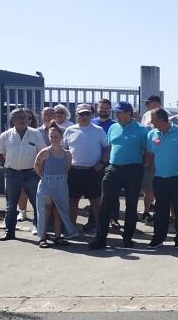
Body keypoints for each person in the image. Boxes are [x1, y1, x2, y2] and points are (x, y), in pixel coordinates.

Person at [89, 101, 148, 250]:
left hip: (133, 170)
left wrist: (143, 166)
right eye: (116, 112)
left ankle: (127, 238)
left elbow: (148, 151)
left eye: (119, 112)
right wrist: (103, 163)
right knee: (104, 204)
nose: (116, 115)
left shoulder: (141, 130)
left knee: (131, 205)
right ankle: (101, 238)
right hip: (113, 168)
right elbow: (110, 147)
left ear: (129, 113)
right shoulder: (113, 127)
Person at [145, 108, 178, 249]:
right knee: (160, 210)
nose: (151, 122)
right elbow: (150, 154)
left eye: (153, 119)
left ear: (161, 119)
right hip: (160, 178)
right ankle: (158, 238)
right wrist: (152, 170)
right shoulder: (152, 134)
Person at [0, 108, 47, 241]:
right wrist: (7, 166)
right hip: (12, 174)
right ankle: (10, 232)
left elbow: (43, 153)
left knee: (37, 203)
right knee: (11, 205)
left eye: (25, 117)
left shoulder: (35, 134)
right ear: (13, 120)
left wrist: (39, 169)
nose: (24, 120)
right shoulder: (6, 135)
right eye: (20, 117)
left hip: (32, 174)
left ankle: (38, 228)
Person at [62, 104, 109, 233]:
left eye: (87, 114)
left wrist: (101, 162)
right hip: (73, 171)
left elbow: (107, 148)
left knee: (95, 202)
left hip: (92, 171)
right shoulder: (69, 130)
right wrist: (66, 165)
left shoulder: (98, 130)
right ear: (77, 115)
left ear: (91, 115)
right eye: (82, 114)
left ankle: (101, 229)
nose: (84, 116)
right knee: (73, 202)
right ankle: (71, 228)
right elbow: (64, 149)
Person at [33, 123, 78, 247]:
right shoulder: (45, 152)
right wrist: (45, 178)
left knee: (60, 211)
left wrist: (60, 178)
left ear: (61, 137)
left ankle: (58, 236)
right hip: (46, 183)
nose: (54, 139)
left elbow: (67, 167)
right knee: (45, 210)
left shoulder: (67, 153)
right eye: (51, 136)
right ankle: (43, 237)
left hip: (62, 183)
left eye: (56, 136)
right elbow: (37, 166)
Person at [92, 98, 121, 230]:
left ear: (110, 110)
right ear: (97, 108)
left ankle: (114, 219)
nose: (103, 110)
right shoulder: (91, 123)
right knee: (95, 194)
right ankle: (93, 219)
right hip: (93, 164)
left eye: (106, 108)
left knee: (113, 193)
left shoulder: (115, 125)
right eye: (101, 107)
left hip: (110, 164)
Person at [139, 95, 161, 223]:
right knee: (147, 187)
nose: (147, 105)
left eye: (149, 102)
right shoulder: (146, 115)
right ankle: (146, 211)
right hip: (148, 154)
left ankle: (160, 211)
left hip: (160, 157)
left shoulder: (166, 115)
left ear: (157, 103)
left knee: (160, 187)